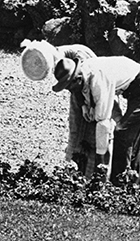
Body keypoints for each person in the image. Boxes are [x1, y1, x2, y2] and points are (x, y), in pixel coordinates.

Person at [51, 53, 140, 183]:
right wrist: (83, 106)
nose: (70, 90)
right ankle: (135, 183)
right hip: (136, 89)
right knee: (133, 137)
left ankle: (118, 184)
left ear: (78, 79)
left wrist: (101, 161)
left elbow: (103, 122)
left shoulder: (98, 79)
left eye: (69, 86)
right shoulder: (84, 72)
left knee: (122, 132)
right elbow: (82, 94)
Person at [19, 40, 101, 169]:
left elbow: (86, 84)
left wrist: (86, 106)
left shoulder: (80, 56)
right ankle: (73, 163)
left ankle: (90, 168)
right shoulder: (58, 59)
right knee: (75, 124)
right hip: (78, 89)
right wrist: (82, 105)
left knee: (91, 129)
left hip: (94, 91)